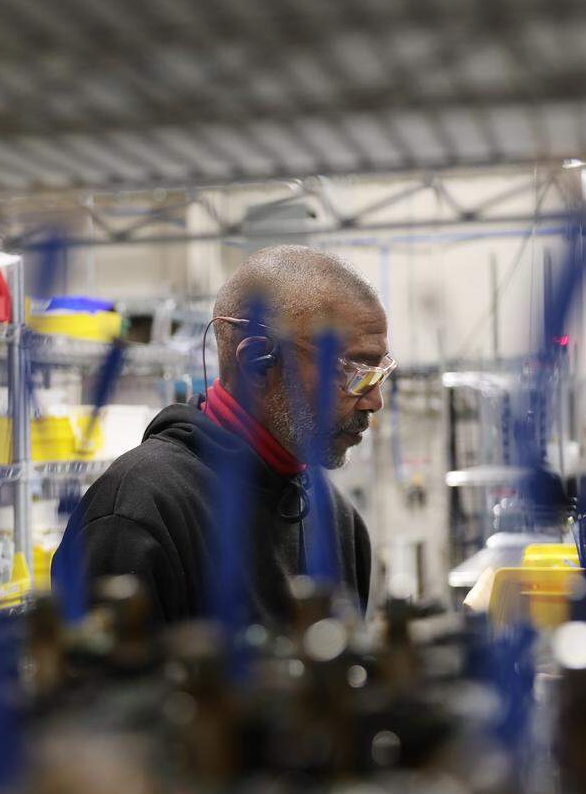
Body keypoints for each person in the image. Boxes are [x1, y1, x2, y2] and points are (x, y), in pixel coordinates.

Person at [51, 244, 394, 625]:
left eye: (379, 374)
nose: (374, 402)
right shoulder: (138, 512)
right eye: (355, 373)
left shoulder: (337, 520)